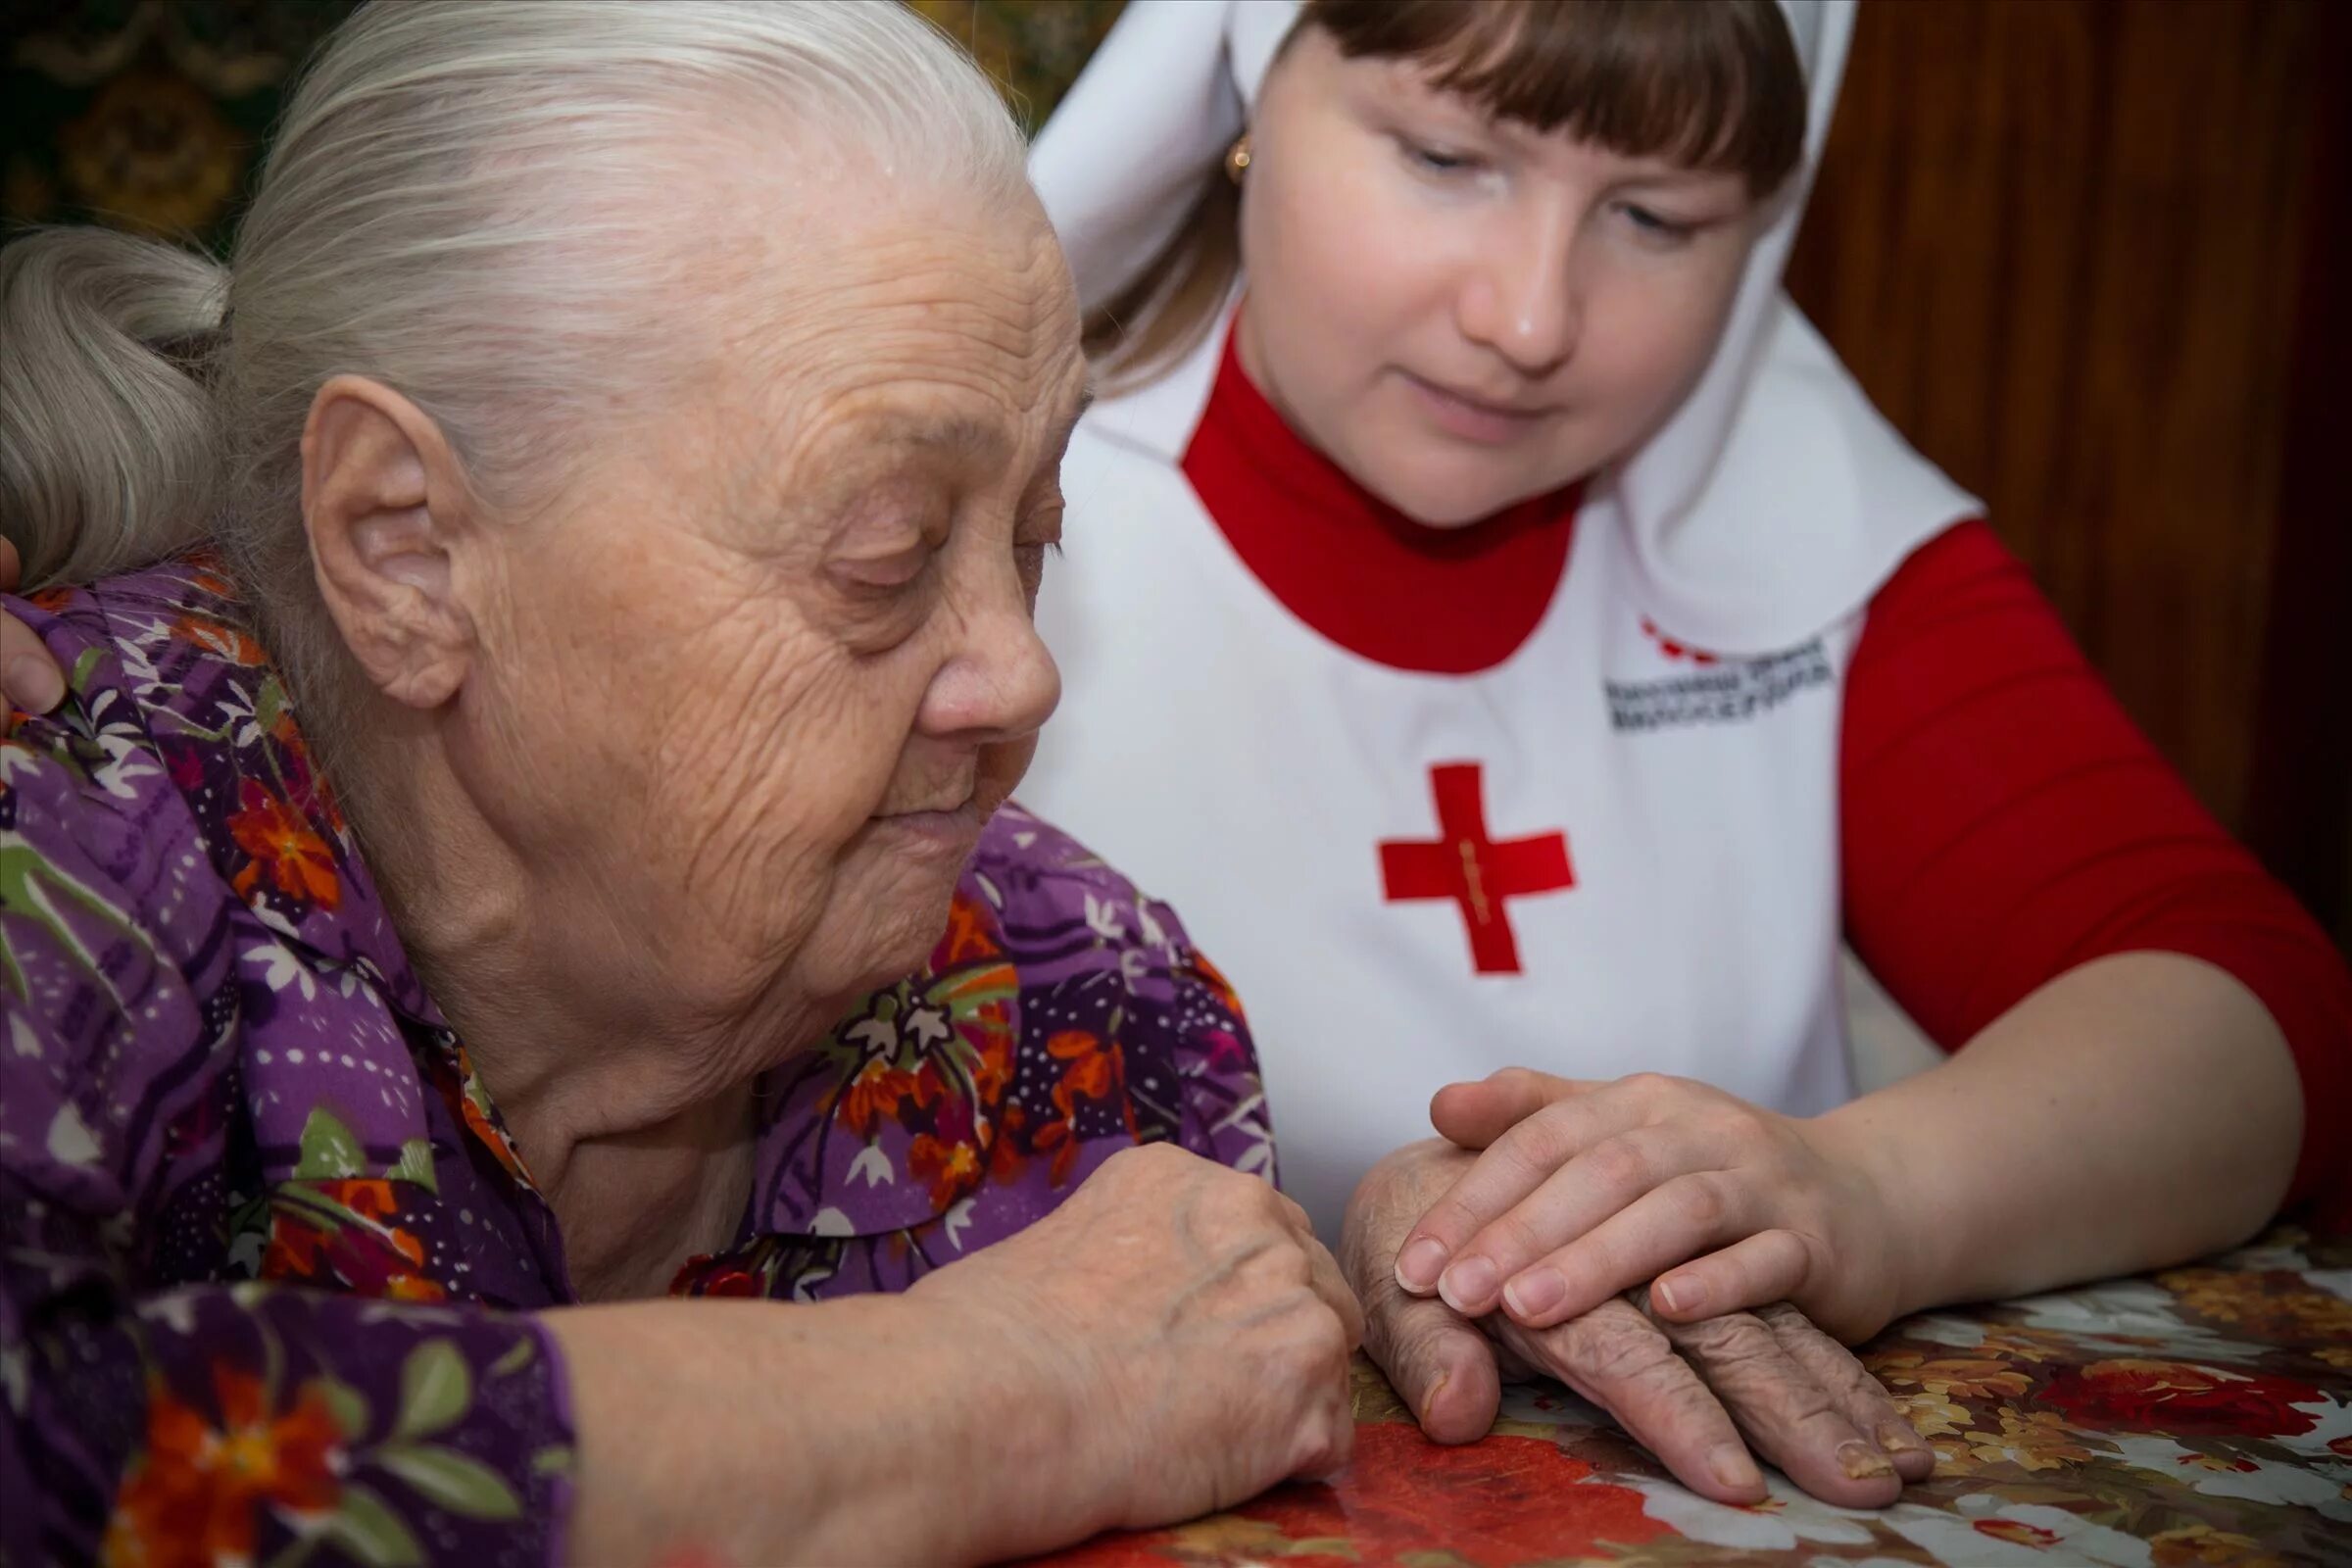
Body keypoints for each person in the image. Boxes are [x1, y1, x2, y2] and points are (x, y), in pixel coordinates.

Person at [0, 6, 1374, 1564]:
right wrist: (988, 1393)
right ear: (408, 554)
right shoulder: (61, 841)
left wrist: (1477, 1271)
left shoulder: (1072, 1003)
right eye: (888, 553)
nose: (1022, 676)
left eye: (1035, 531)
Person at [1018, 0, 2352, 1500]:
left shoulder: (1788, 505)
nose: (1529, 319)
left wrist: (1857, 1191)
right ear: (1247, 85)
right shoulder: (986, 503)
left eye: (1655, 217)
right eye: (1449, 158)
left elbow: (2249, 1008)